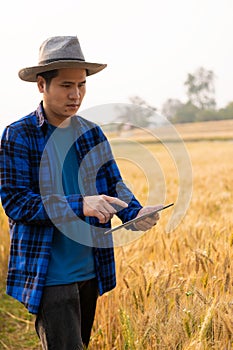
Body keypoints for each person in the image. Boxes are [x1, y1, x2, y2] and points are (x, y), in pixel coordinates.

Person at [0, 36, 161, 349]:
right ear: (41, 86)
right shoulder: (18, 135)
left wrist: (134, 213)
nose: (75, 95)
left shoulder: (91, 132)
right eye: (65, 85)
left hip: (91, 267)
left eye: (81, 85)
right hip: (50, 272)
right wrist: (80, 204)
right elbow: (16, 203)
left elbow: (113, 184)